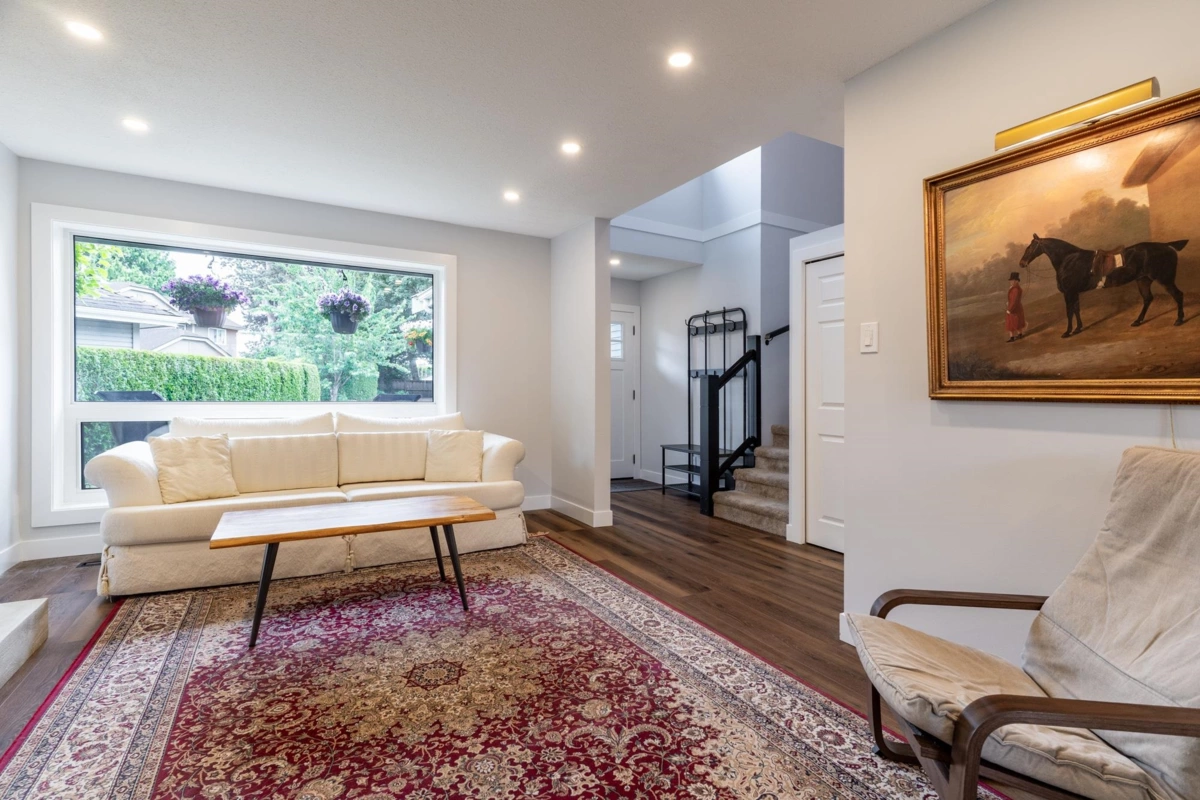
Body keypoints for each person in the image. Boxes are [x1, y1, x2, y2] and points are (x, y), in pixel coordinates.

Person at [1005, 271, 1026, 343]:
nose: (1011, 282)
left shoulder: (1015, 289)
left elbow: (1014, 300)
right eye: (1011, 280)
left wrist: (1010, 309)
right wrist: (1009, 302)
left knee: (1012, 322)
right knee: (1016, 322)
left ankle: (1012, 337)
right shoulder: (1015, 288)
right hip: (1016, 307)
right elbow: (1013, 299)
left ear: (1017, 281)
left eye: (1013, 280)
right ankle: (1019, 335)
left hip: (1014, 308)